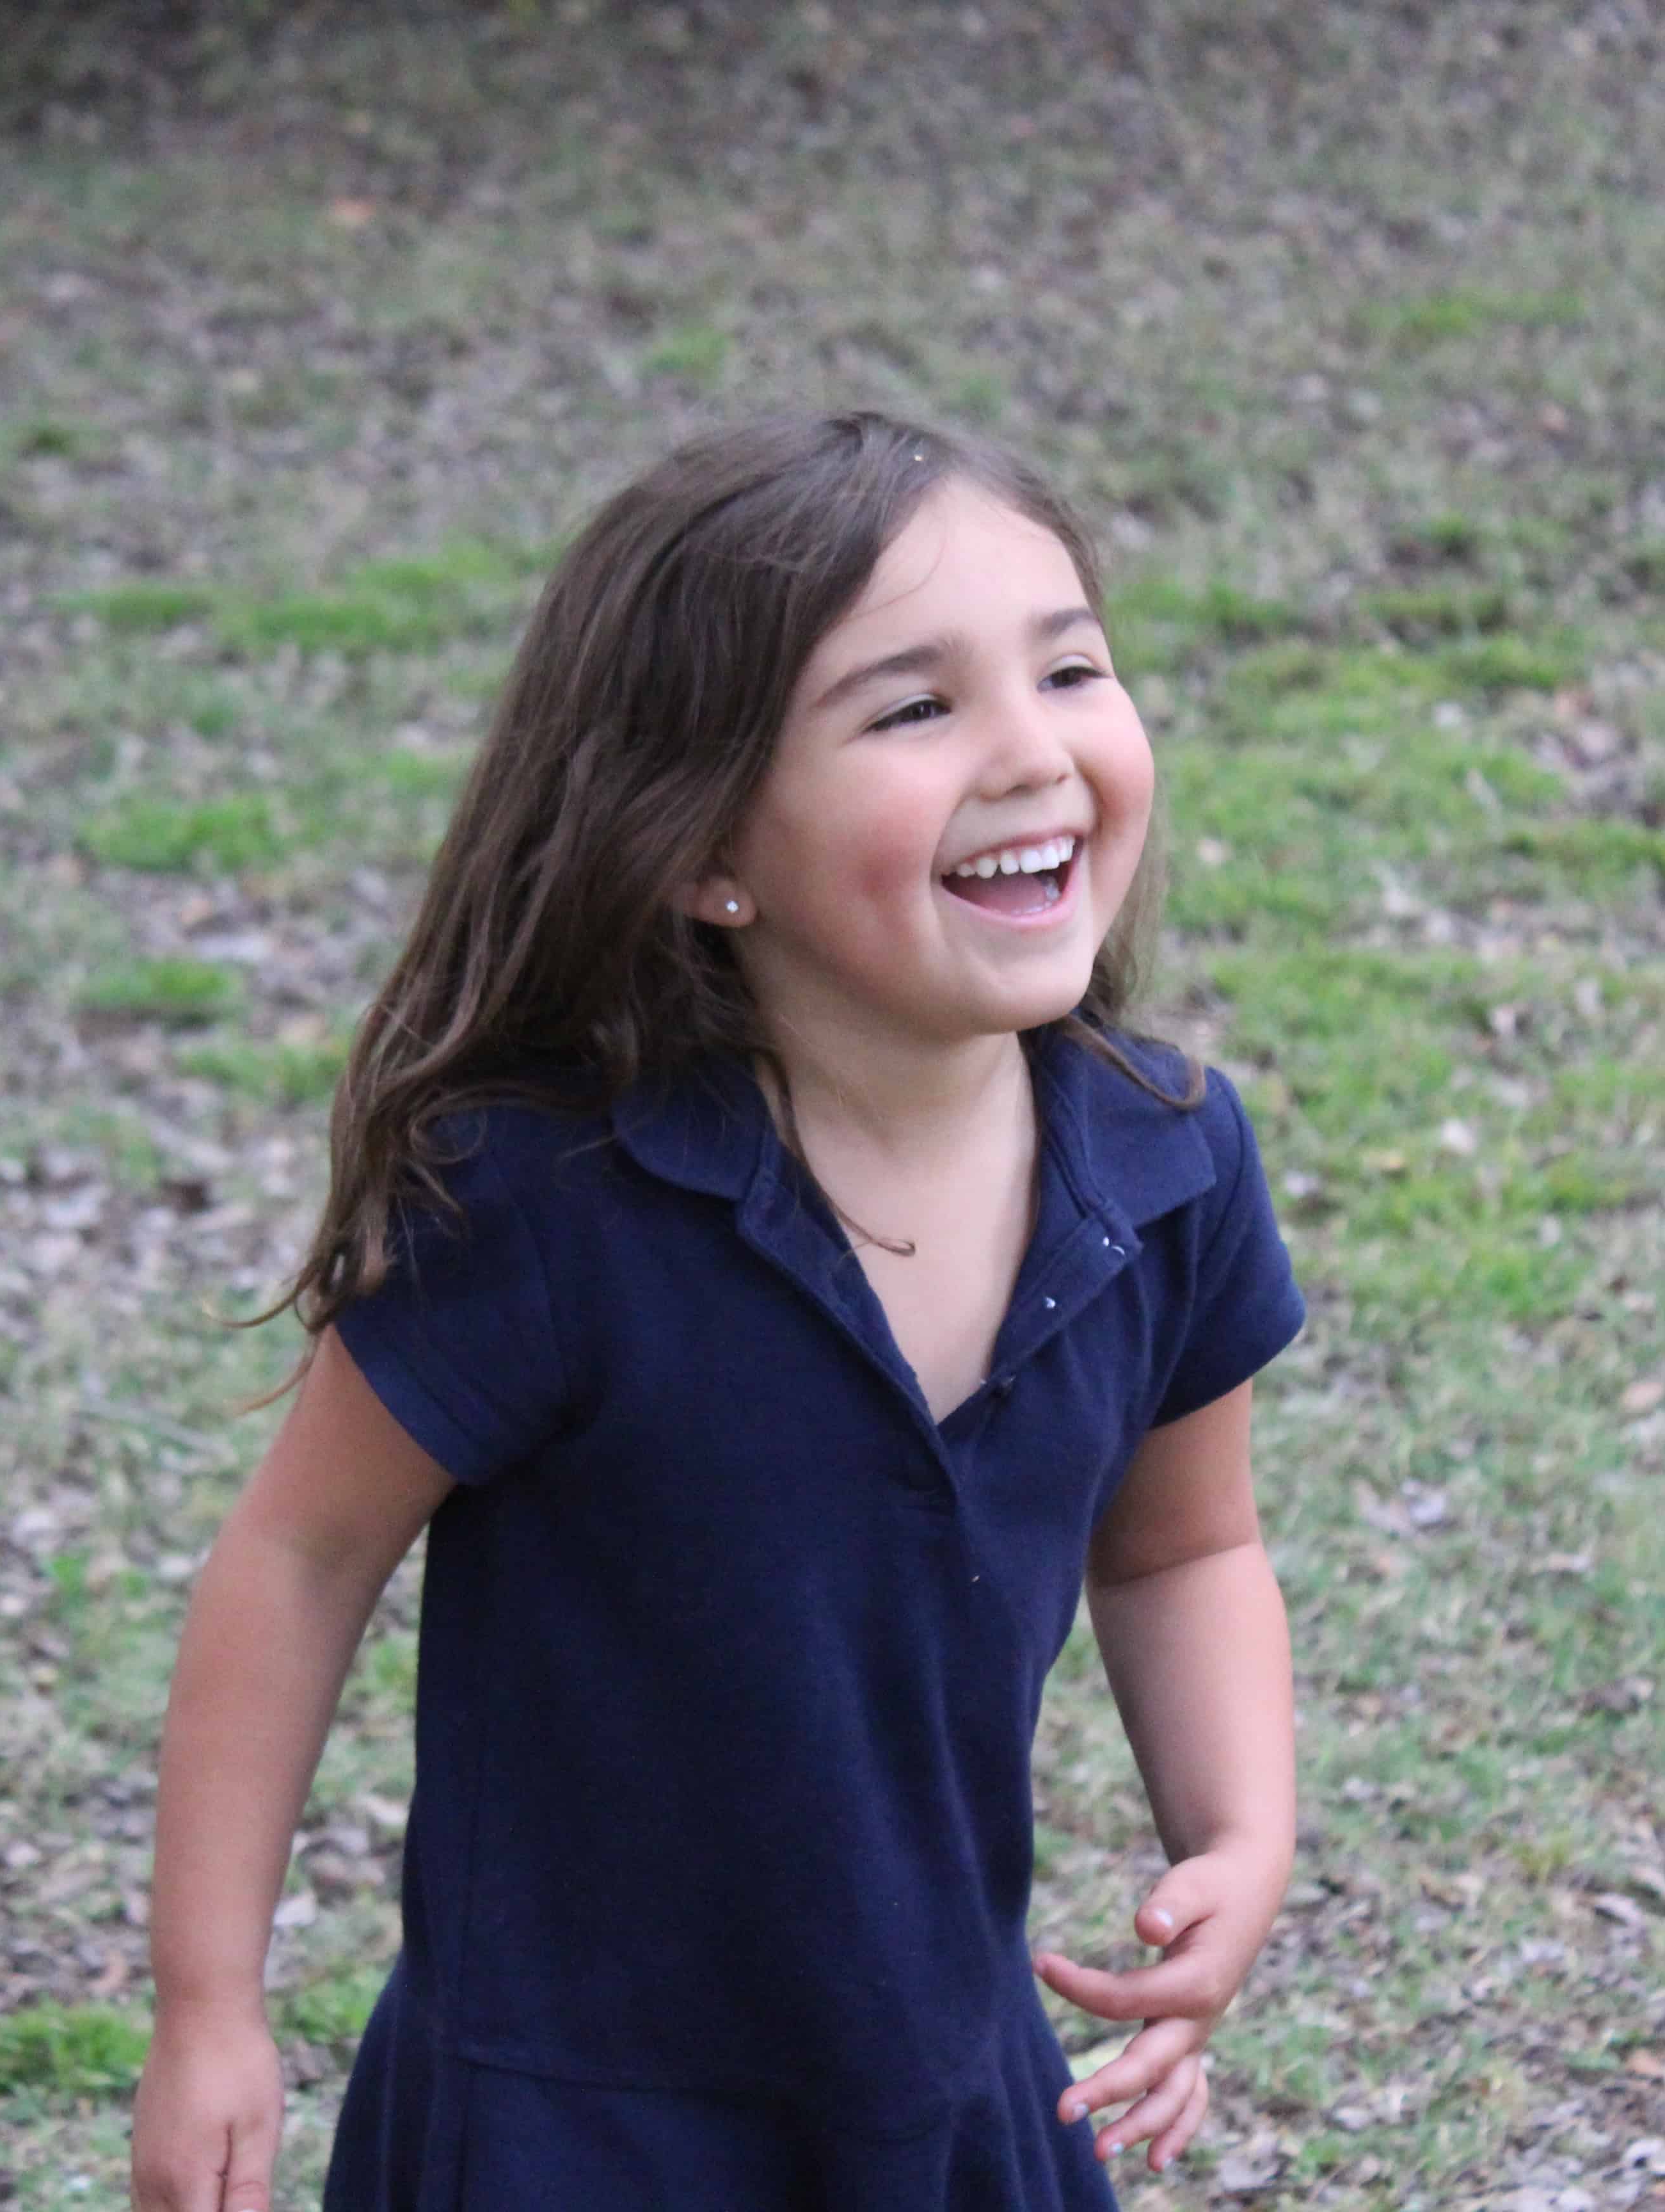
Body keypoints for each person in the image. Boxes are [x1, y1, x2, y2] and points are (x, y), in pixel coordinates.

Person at [128, 411, 1307, 2212]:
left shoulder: (1166, 1172)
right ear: (702, 854)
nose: (1032, 753)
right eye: (915, 709)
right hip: (570, 2123)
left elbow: (1179, 1554)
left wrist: (1239, 1832)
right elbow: (297, 1561)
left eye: (1070, 668)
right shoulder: (554, 1210)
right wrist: (210, 2009)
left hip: (942, 2088)